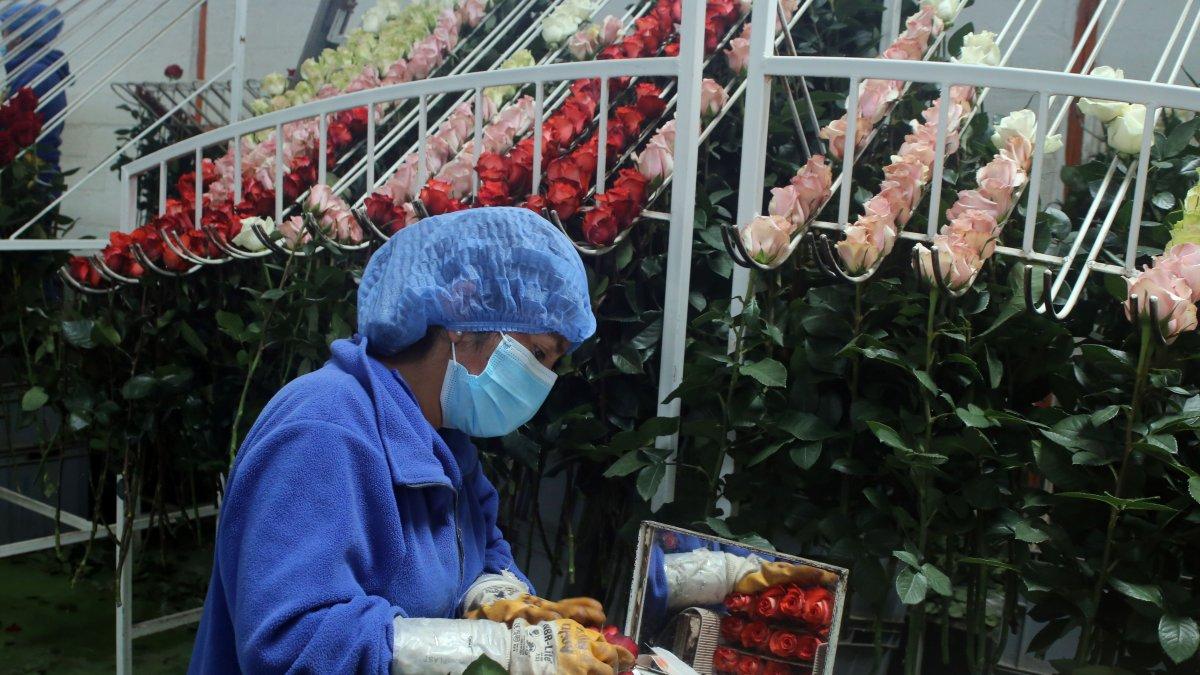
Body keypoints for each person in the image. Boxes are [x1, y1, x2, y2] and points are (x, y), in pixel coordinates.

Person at [189, 207, 631, 674]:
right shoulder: (322, 431)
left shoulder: (442, 441)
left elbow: (482, 549)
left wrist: (497, 602)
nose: (541, 379)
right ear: (462, 312)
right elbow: (293, 642)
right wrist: (491, 649)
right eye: (538, 352)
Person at [1, 2, 69, 177]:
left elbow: (13, 132)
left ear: (19, 38)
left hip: (31, 181)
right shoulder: (31, 71)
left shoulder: (36, 75)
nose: (3, 39)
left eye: (5, 32)